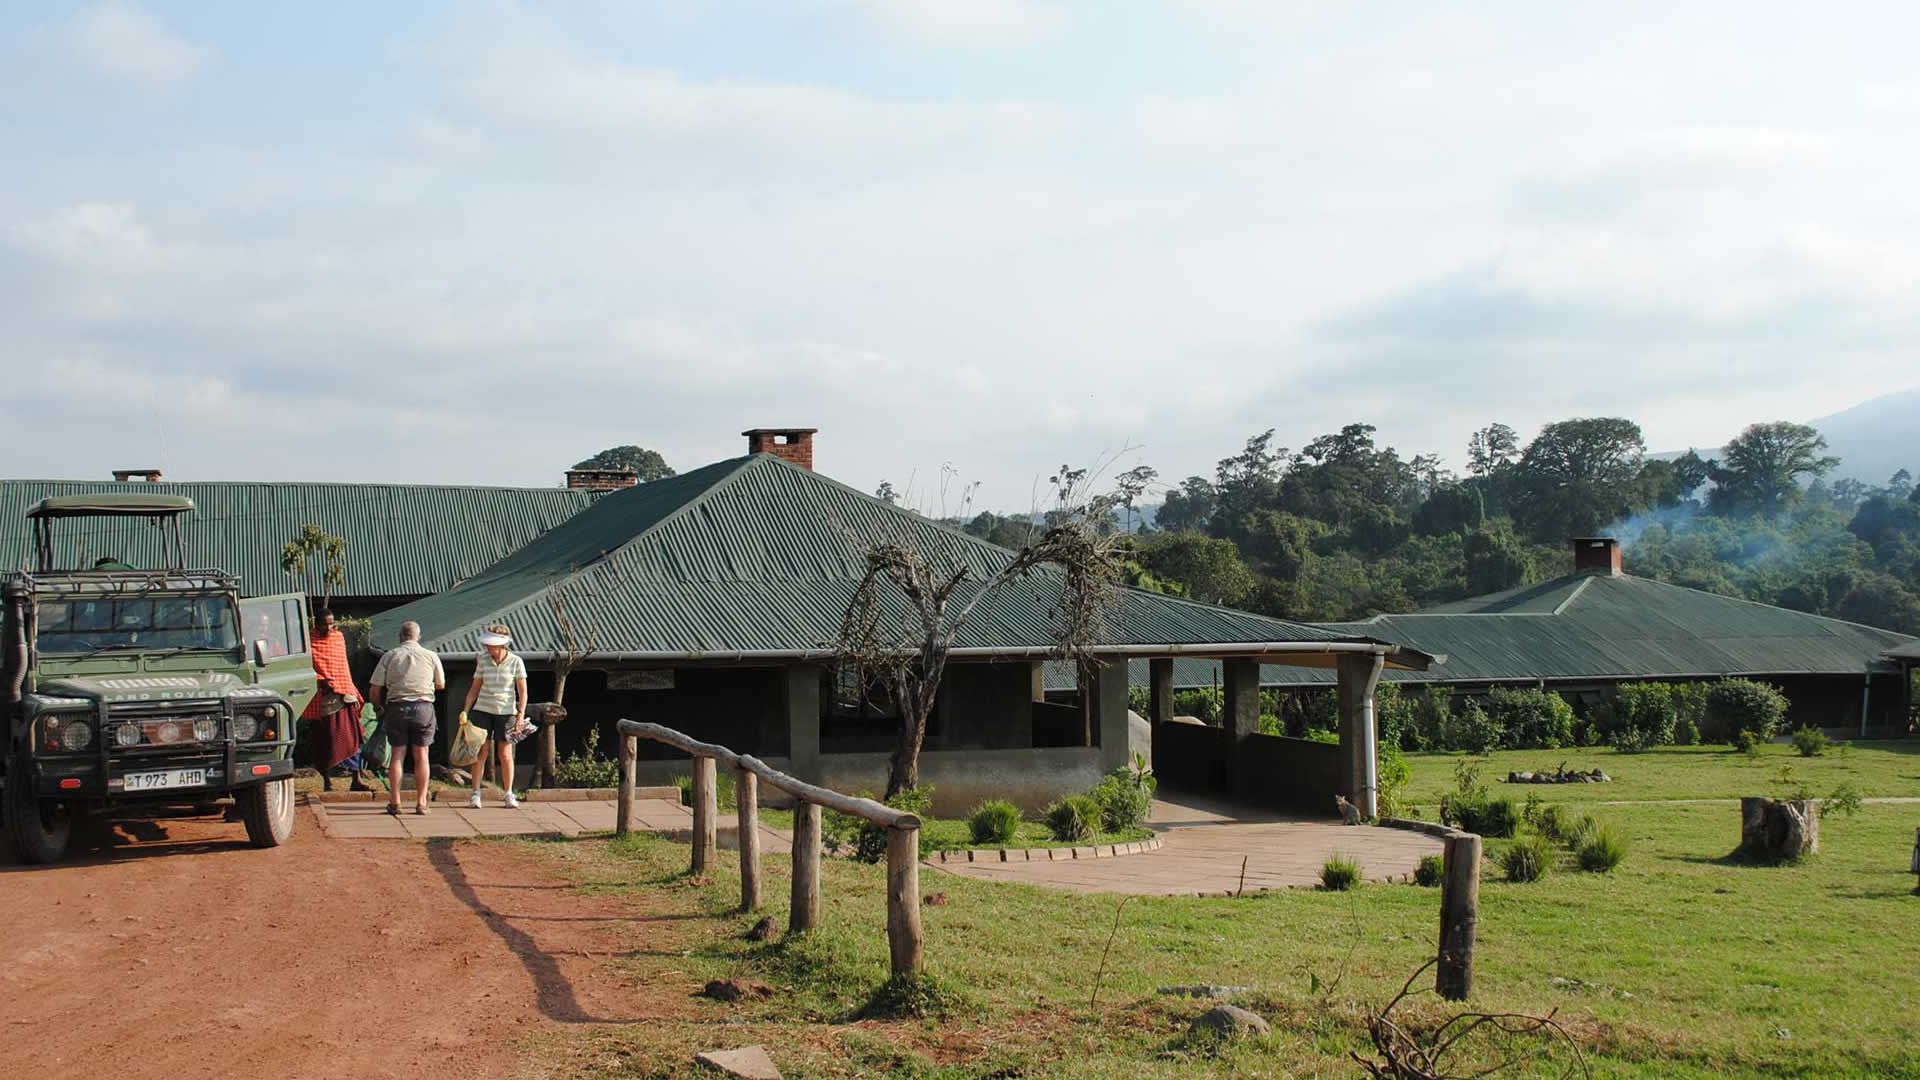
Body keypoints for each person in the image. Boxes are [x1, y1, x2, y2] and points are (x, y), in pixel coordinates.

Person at [368, 621, 445, 816]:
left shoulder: (390, 656)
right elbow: (441, 684)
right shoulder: (431, 656)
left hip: (397, 707)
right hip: (423, 707)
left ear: (400, 637)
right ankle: (421, 802)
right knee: (422, 755)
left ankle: (395, 801)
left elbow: (375, 688)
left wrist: (378, 708)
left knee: (397, 755)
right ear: (418, 636)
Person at [459, 623, 527, 809]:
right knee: (481, 752)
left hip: (506, 713)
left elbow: (522, 692)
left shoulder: (516, 662)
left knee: (505, 754)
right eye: (487, 644)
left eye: (492, 644)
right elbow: (475, 688)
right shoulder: (482, 660)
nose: (488, 648)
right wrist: (466, 710)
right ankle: (475, 793)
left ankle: (508, 793)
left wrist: (520, 715)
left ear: (502, 644)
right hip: (482, 710)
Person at [304, 608, 371, 791]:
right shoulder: (308, 641)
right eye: (325, 624)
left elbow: (342, 667)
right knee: (323, 741)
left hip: (343, 696)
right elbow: (306, 668)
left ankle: (356, 779)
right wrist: (321, 681)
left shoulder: (338, 638)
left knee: (353, 738)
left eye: (332, 623)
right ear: (316, 624)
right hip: (321, 699)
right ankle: (327, 781)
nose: (329, 627)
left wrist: (349, 691)